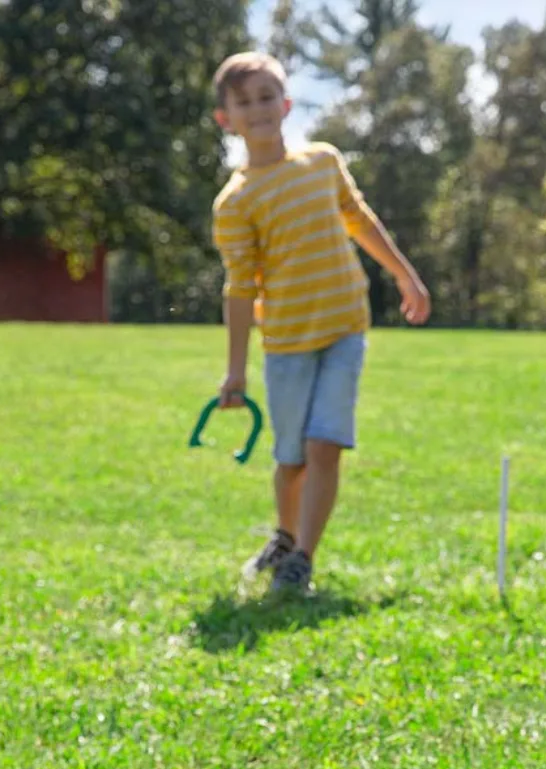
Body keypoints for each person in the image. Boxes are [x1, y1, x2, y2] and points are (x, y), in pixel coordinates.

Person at [211, 52, 431, 595]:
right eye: (244, 102)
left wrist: (405, 276)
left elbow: (360, 219)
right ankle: (285, 536)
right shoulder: (235, 201)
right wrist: (235, 371)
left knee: (325, 445)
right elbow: (240, 289)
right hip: (286, 342)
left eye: (267, 97)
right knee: (291, 460)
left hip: (344, 328)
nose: (258, 109)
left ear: (286, 104)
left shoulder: (323, 162)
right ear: (226, 119)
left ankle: (302, 558)